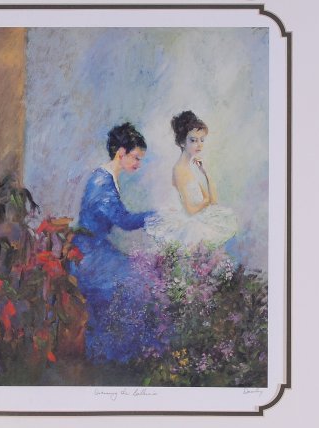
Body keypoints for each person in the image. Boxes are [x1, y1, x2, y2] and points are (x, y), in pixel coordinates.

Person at [72, 122, 156, 362]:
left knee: (140, 276)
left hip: (95, 250)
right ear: (121, 152)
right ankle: (118, 354)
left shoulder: (108, 178)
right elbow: (124, 220)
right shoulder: (102, 183)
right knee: (139, 280)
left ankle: (116, 352)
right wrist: (156, 216)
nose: (138, 164)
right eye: (136, 158)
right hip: (88, 256)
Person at [145, 110, 237, 248]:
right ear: (182, 142)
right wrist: (206, 201)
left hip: (198, 218)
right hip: (188, 223)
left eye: (202, 140)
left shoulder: (191, 167)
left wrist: (206, 173)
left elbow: (213, 201)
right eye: (193, 140)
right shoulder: (179, 170)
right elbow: (190, 210)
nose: (199, 144)